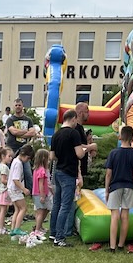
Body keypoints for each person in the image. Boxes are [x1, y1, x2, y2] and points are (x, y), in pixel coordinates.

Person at [103, 125, 133, 253]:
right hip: (129, 187)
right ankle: (121, 244)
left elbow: (108, 174)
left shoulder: (113, 153)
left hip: (115, 186)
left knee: (114, 216)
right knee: (125, 215)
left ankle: (112, 247)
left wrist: (106, 190)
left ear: (120, 137)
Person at [49, 109, 86, 247]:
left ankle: (53, 233)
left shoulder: (56, 134)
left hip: (58, 171)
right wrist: (86, 149)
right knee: (66, 205)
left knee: (56, 204)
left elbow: (52, 156)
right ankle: (59, 237)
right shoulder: (73, 133)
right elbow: (79, 154)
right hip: (69, 173)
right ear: (73, 119)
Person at [7, 144, 32, 235]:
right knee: (23, 208)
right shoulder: (18, 164)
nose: (28, 161)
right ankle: (17, 228)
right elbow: (15, 179)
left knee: (17, 209)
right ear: (24, 155)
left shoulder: (15, 160)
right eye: (28, 158)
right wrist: (24, 189)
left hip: (11, 189)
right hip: (15, 190)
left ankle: (13, 229)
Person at [74, 102, 99, 187]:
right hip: (76, 169)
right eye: (87, 112)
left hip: (82, 168)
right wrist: (91, 146)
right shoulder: (75, 128)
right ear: (80, 113)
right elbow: (78, 146)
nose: (88, 114)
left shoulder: (81, 128)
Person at [0, 147, 13, 234]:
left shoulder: (1, 166)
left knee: (2, 209)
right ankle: (1, 228)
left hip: (1, 190)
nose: (11, 158)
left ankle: (2, 227)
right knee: (3, 209)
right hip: (4, 191)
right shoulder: (4, 167)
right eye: (9, 156)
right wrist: (11, 183)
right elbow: (3, 180)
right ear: (3, 156)